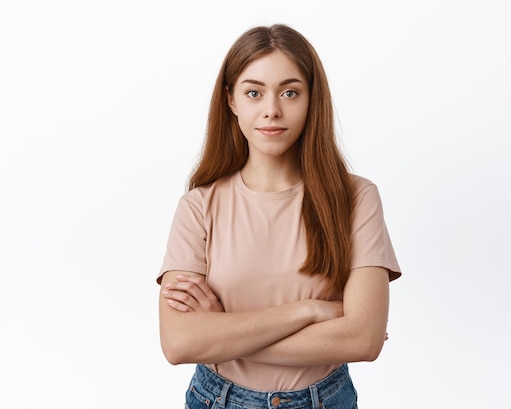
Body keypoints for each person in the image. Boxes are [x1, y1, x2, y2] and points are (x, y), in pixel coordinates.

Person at [157, 24, 401, 409]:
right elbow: (179, 343)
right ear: (232, 101)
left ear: (311, 99)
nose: (272, 109)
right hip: (217, 400)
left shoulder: (357, 198)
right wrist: (310, 311)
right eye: (254, 92)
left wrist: (223, 331)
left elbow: (363, 340)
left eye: (290, 92)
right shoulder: (198, 207)